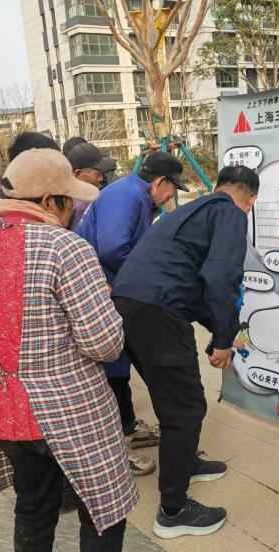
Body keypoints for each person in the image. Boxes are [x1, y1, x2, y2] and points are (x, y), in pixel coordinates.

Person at [0, 149, 137, 551]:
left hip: (6, 408)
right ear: (47, 201)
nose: (73, 209)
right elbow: (104, 343)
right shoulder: (65, 247)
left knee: (34, 506)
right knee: (103, 509)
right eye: (68, 200)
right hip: (70, 407)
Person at [111, 165, 259, 539]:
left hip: (128, 305)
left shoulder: (193, 210)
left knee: (170, 396)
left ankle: (186, 462)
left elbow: (188, 281)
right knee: (187, 407)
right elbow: (221, 277)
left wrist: (220, 331)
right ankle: (173, 511)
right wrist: (224, 340)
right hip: (158, 311)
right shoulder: (230, 213)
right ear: (250, 200)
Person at [78, 152, 189, 476]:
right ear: (160, 182)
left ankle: (126, 428)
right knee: (110, 370)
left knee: (119, 365)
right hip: (104, 291)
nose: (171, 196)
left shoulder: (134, 194)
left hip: (112, 290)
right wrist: (144, 281)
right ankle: (115, 449)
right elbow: (113, 248)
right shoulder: (126, 195)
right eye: (172, 188)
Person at [64, 137, 117, 229]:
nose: (101, 178)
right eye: (97, 174)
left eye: (102, 173)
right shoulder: (70, 206)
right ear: (78, 173)